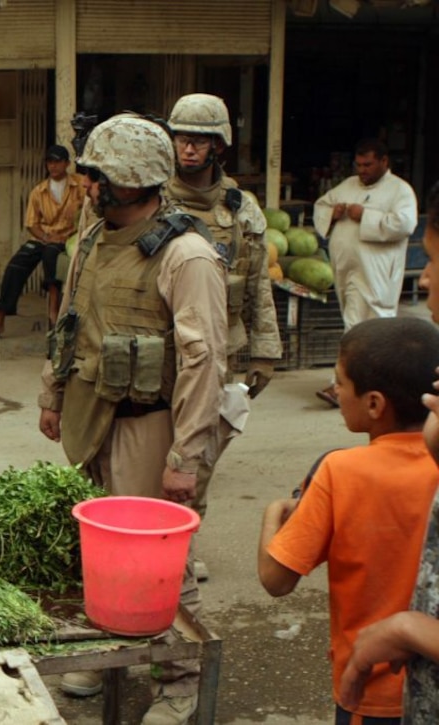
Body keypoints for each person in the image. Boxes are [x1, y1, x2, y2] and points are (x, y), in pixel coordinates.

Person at [39, 114, 226, 724]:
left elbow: (204, 365)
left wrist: (186, 458)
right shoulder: (94, 235)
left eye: (99, 177)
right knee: (98, 553)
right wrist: (53, 393)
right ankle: (110, 652)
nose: (88, 185)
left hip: (150, 422)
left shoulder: (186, 255)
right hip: (95, 413)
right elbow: (69, 321)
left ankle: (181, 677)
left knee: (159, 560)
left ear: (134, 182)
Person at [258, 316, 439, 724]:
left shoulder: (341, 471)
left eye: (340, 382)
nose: (335, 391)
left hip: (371, 687)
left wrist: (274, 515)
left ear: (374, 404)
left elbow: (276, 578)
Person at [164, 93, 283, 581]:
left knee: (201, 460)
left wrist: (265, 351)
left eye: (201, 140)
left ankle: (184, 549)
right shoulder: (156, 199)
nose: (189, 149)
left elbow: (257, 283)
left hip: (220, 352)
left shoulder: (241, 210)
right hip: (164, 351)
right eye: (182, 138)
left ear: (219, 147)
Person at [338, 181, 439, 723]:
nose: (423, 276)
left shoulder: (340, 469)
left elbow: (277, 575)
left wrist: (407, 629)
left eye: (436, 259)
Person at [312, 138, 418, 407]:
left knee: (369, 327)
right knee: (355, 325)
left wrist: (366, 215)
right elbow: (321, 206)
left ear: (384, 162)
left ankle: (348, 385)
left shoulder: (400, 191)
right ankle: (359, 384)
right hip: (348, 271)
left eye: (368, 164)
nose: (363, 170)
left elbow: (404, 223)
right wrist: (333, 213)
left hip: (377, 273)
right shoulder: (347, 185)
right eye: (359, 165)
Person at [0, 144, 84, 334]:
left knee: (51, 257)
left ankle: (53, 311)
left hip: (71, 237)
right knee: (17, 264)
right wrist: (47, 237)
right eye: (50, 162)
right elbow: (32, 224)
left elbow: (88, 214)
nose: (53, 166)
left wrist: (67, 235)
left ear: (66, 163)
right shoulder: (39, 191)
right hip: (46, 238)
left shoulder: (80, 184)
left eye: (57, 162)